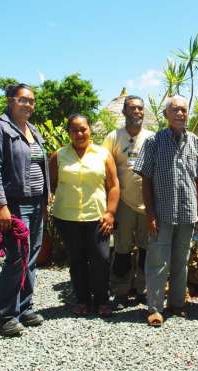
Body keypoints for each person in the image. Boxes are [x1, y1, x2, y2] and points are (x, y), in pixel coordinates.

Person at [133, 95, 198, 327]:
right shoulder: (153, 142)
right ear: (166, 114)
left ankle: (177, 304)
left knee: (181, 261)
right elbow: (145, 180)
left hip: (187, 213)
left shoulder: (195, 142)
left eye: (184, 110)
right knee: (157, 262)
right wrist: (150, 215)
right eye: (175, 110)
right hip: (162, 213)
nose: (180, 114)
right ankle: (155, 308)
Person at [0, 83, 50, 336]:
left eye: (32, 101)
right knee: (16, 257)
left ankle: (24, 306)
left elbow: (40, 167)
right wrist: (1, 206)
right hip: (13, 202)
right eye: (23, 100)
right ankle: (5, 315)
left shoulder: (32, 129)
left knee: (31, 255)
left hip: (35, 201)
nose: (29, 105)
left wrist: (45, 198)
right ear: (11, 100)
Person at [50, 114, 120, 317]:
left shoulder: (103, 154)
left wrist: (110, 212)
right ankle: (82, 299)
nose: (79, 134)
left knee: (101, 258)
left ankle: (102, 300)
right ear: (69, 132)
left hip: (97, 217)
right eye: (74, 130)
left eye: (83, 129)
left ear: (90, 129)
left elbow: (114, 185)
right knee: (76, 259)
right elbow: (52, 184)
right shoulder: (59, 155)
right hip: (67, 217)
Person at [102, 95, 154, 307]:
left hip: (147, 203)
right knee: (122, 248)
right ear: (124, 112)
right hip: (123, 202)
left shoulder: (152, 138)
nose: (137, 112)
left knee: (146, 248)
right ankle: (121, 291)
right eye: (132, 108)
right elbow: (104, 170)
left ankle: (142, 290)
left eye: (140, 108)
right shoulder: (113, 137)